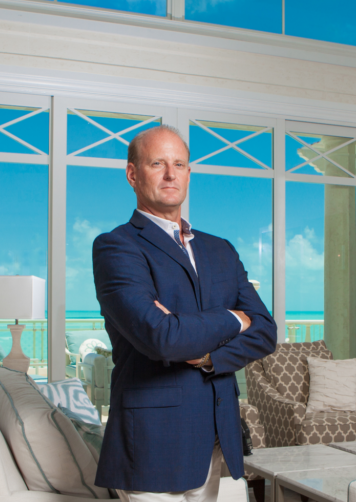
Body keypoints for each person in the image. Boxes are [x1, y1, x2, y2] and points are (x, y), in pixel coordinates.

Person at [92, 125, 278, 501]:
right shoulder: (117, 247)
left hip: (217, 433)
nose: (170, 174)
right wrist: (233, 318)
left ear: (189, 173)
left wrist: (208, 355)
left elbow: (265, 331)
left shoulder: (221, 249)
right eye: (157, 163)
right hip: (153, 441)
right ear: (132, 174)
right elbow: (162, 337)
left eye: (179, 164)